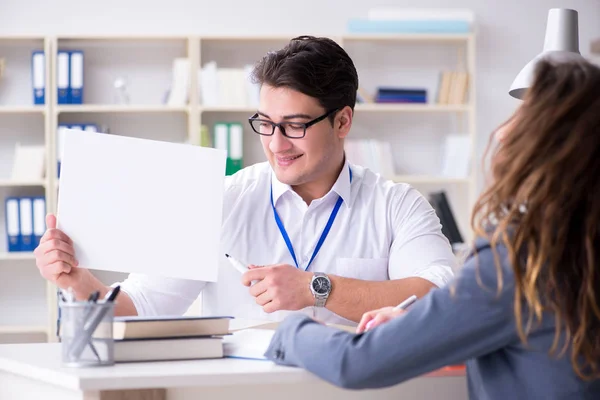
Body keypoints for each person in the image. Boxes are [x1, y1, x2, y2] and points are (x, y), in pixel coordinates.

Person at [34, 35, 455, 326]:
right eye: (266, 124)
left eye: (294, 126)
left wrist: (317, 288)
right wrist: (76, 281)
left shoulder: (396, 205)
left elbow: (442, 295)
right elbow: (139, 305)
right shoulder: (217, 199)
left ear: (342, 120)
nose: (276, 144)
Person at [263, 58, 600, 397]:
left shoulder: (516, 263)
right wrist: (423, 328)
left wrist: (289, 329)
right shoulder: (578, 247)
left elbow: (357, 362)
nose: (502, 132)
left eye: (525, 116)